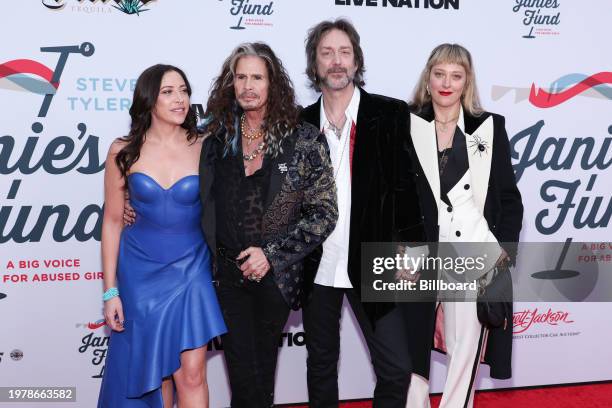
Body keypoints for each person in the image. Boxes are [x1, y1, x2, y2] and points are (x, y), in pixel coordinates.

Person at [300, 19, 432, 408]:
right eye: (327, 53)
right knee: (321, 365)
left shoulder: (389, 114)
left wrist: (415, 252)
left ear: (357, 60)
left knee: (395, 368)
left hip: (376, 260)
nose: (336, 61)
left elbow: (410, 191)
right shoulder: (301, 124)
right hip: (316, 265)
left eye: (344, 52)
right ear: (315, 64)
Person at [199, 42, 337, 407]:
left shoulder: (303, 139)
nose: (248, 85)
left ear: (272, 83)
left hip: (276, 277)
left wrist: (272, 255)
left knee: (260, 373)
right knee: (243, 377)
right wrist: (134, 205)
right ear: (230, 84)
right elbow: (178, 183)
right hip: (227, 278)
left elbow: (325, 212)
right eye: (240, 77)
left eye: (256, 77)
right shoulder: (215, 139)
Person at [98, 64, 227, 408]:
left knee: (192, 374)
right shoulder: (122, 151)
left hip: (192, 269)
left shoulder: (207, 146)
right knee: (156, 375)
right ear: (148, 99)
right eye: (168, 92)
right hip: (139, 273)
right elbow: (111, 222)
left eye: (183, 90)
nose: (180, 99)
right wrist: (111, 291)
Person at [405, 43, 523, 408]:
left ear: (466, 81)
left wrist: (503, 252)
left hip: (474, 251)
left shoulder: (489, 127)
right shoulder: (405, 124)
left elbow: (508, 197)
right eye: (439, 74)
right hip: (420, 254)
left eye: (456, 75)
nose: (446, 83)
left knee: (464, 352)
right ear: (428, 78)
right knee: (410, 354)